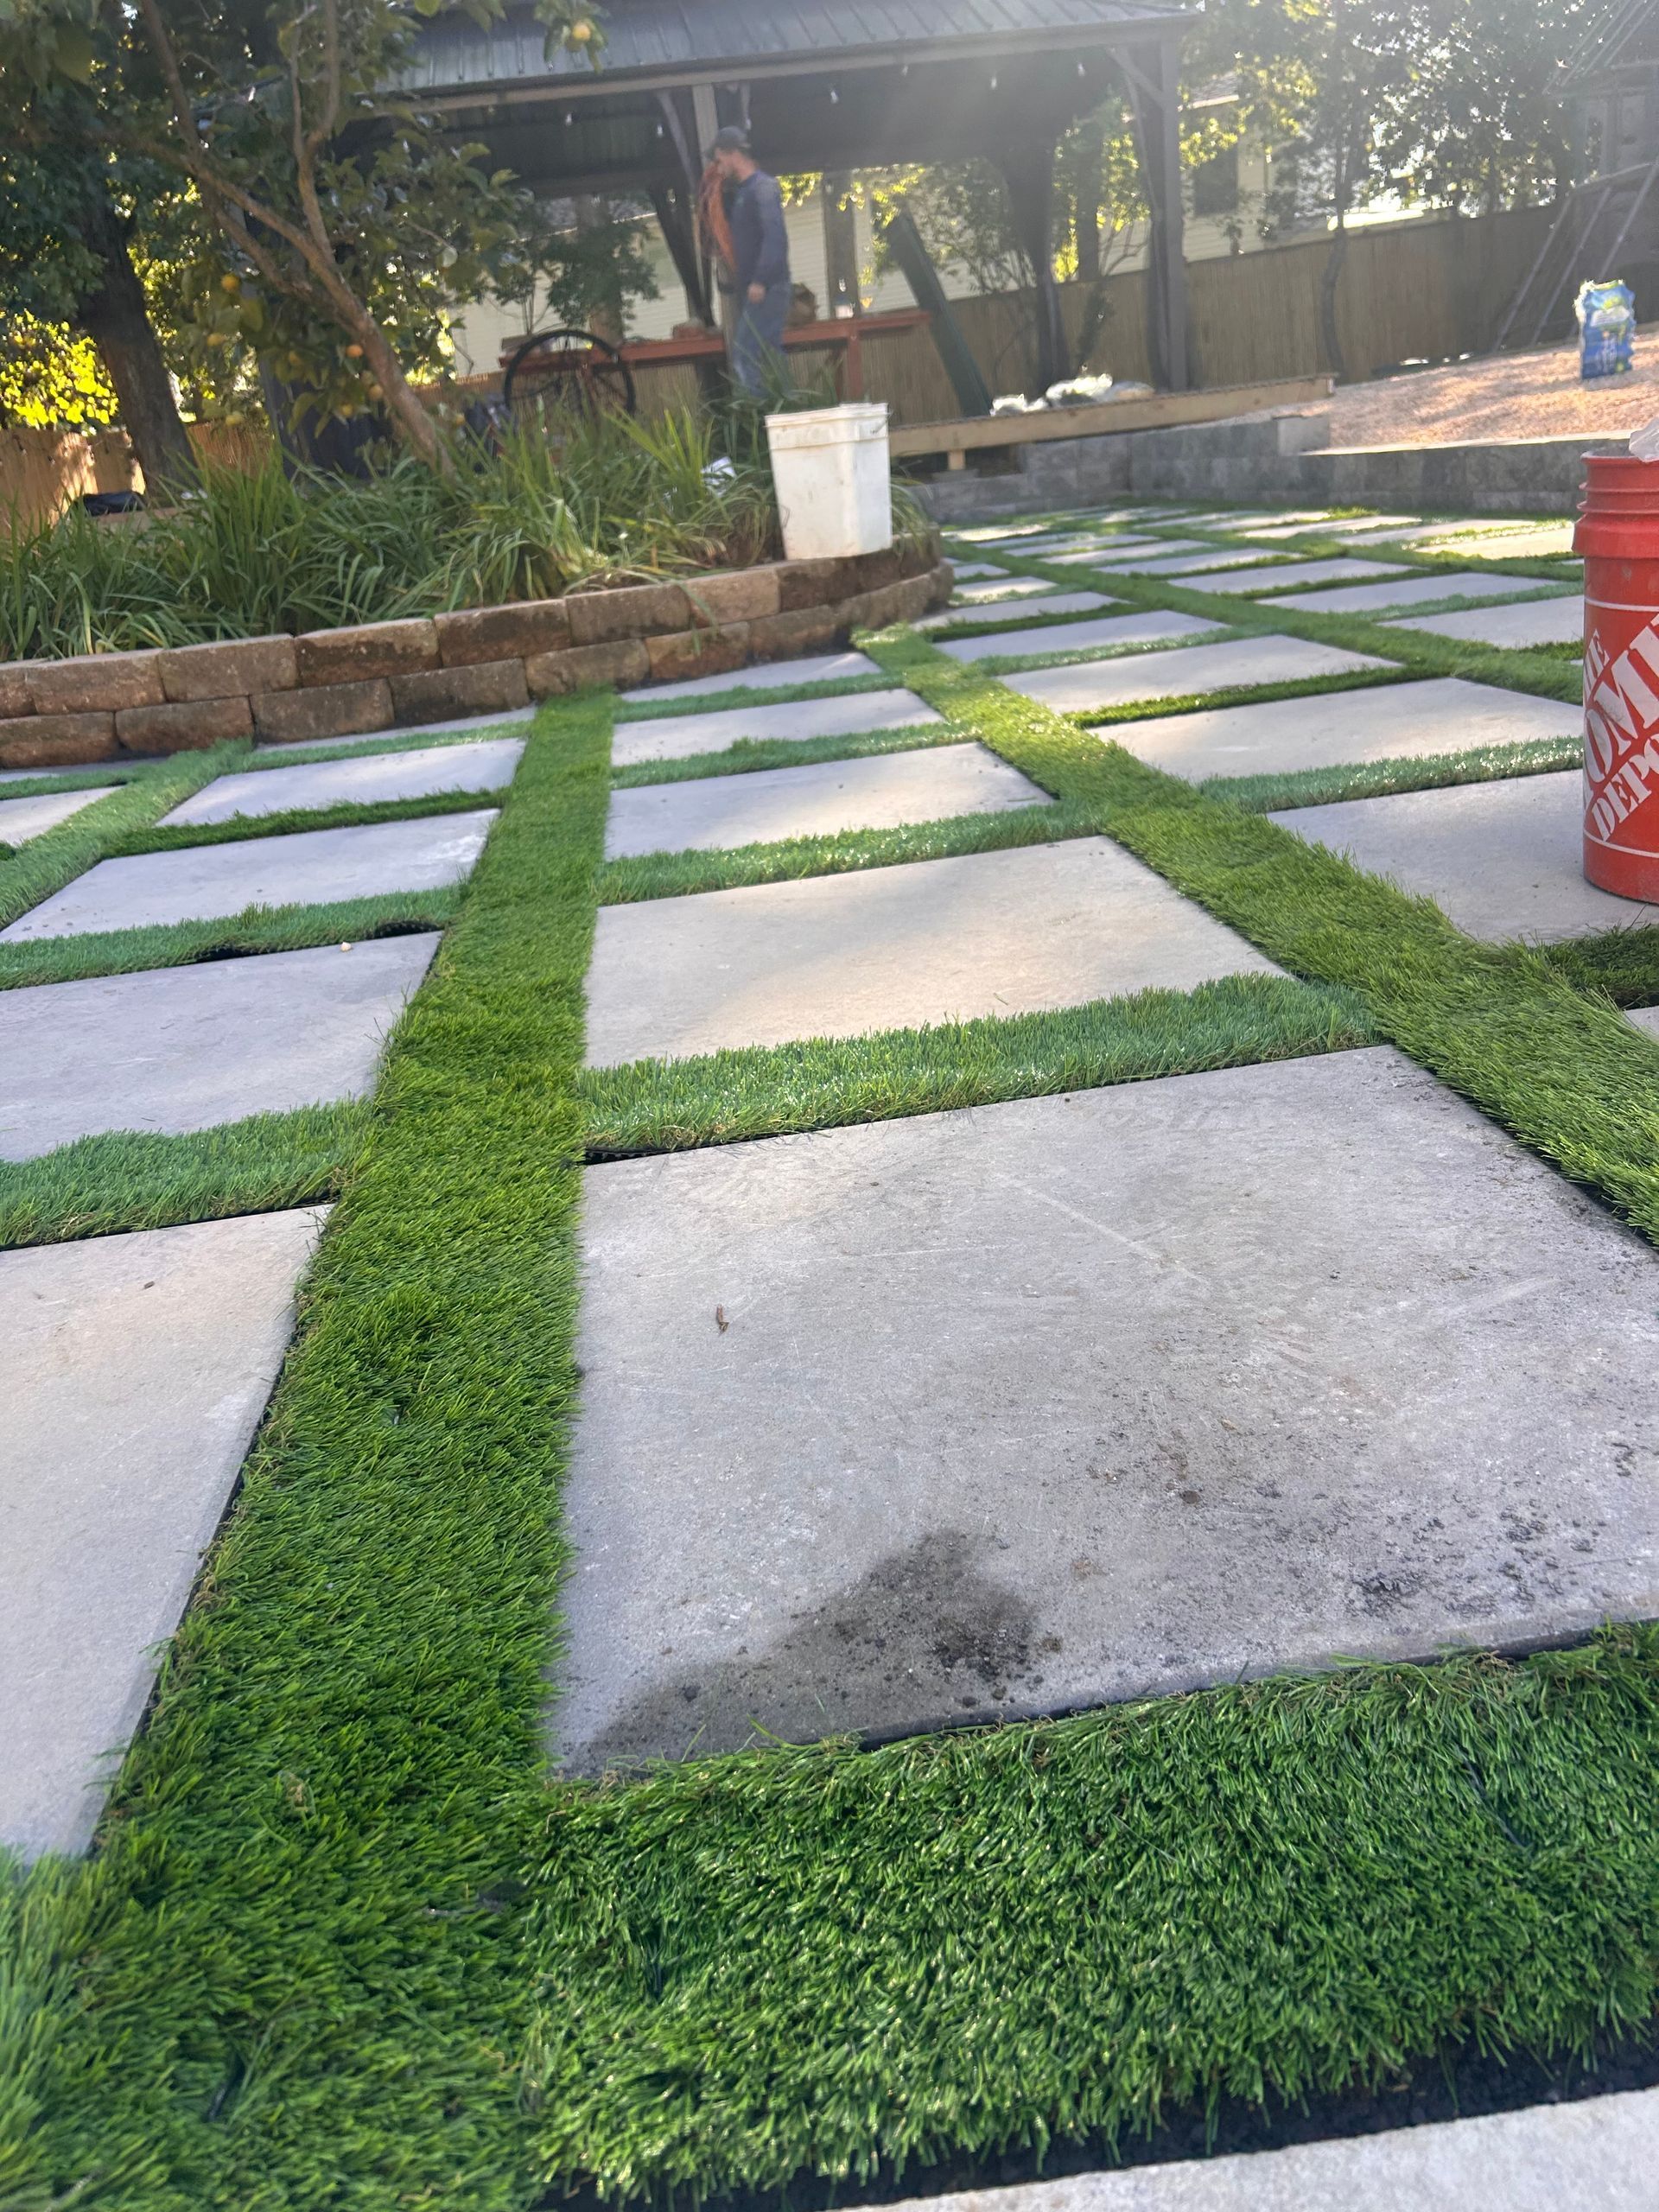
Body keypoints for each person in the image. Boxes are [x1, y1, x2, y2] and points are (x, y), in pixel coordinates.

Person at [709, 124, 791, 397]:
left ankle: (762, 413)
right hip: (758, 289)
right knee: (770, 355)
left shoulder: (762, 188)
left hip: (767, 288)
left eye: (719, 159)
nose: (718, 166)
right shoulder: (744, 192)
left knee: (744, 354)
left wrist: (759, 280)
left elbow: (775, 238)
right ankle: (784, 410)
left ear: (731, 153)